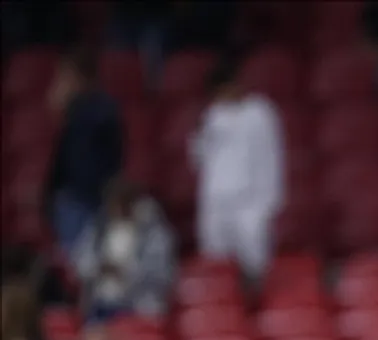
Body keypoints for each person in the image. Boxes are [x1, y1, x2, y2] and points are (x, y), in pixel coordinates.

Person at [189, 55, 285, 285]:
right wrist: (200, 134)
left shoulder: (260, 112)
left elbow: (272, 156)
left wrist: (270, 200)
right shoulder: (212, 115)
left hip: (250, 199)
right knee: (216, 262)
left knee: (254, 261)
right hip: (216, 200)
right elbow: (199, 159)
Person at [43, 50, 124, 253]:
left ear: (80, 77)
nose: (61, 84)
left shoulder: (101, 110)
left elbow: (90, 162)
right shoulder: (73, 113)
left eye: (65, 77)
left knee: (86, 260)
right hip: (72, 200)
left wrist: (68, 110)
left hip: (92, 200)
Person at [72, 177, 176, 323]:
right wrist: (99, 267)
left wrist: (125, 272)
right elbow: (80, 262)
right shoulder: (99, 228)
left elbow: (162, 276)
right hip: (101, 305)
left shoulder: (154, 232)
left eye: (122, 203)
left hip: (139, 309)